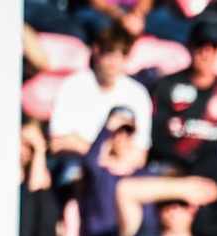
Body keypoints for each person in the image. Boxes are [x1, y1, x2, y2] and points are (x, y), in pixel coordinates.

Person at [149, 22, 217, 174]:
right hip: (171, 167)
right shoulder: (166, 86)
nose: (205, 54)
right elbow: (154, 133)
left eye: (212, 47)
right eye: (200, 46)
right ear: (190, 47)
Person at [49, 26, 154, 157]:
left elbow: (140, 153)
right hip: (77, 162)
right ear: (96, 51)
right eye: (109, 54)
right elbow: (57, 143)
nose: (114, 63)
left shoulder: (138, 94)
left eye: (121, 55)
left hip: (118, 169)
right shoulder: (73, 85)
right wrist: (101, 154)